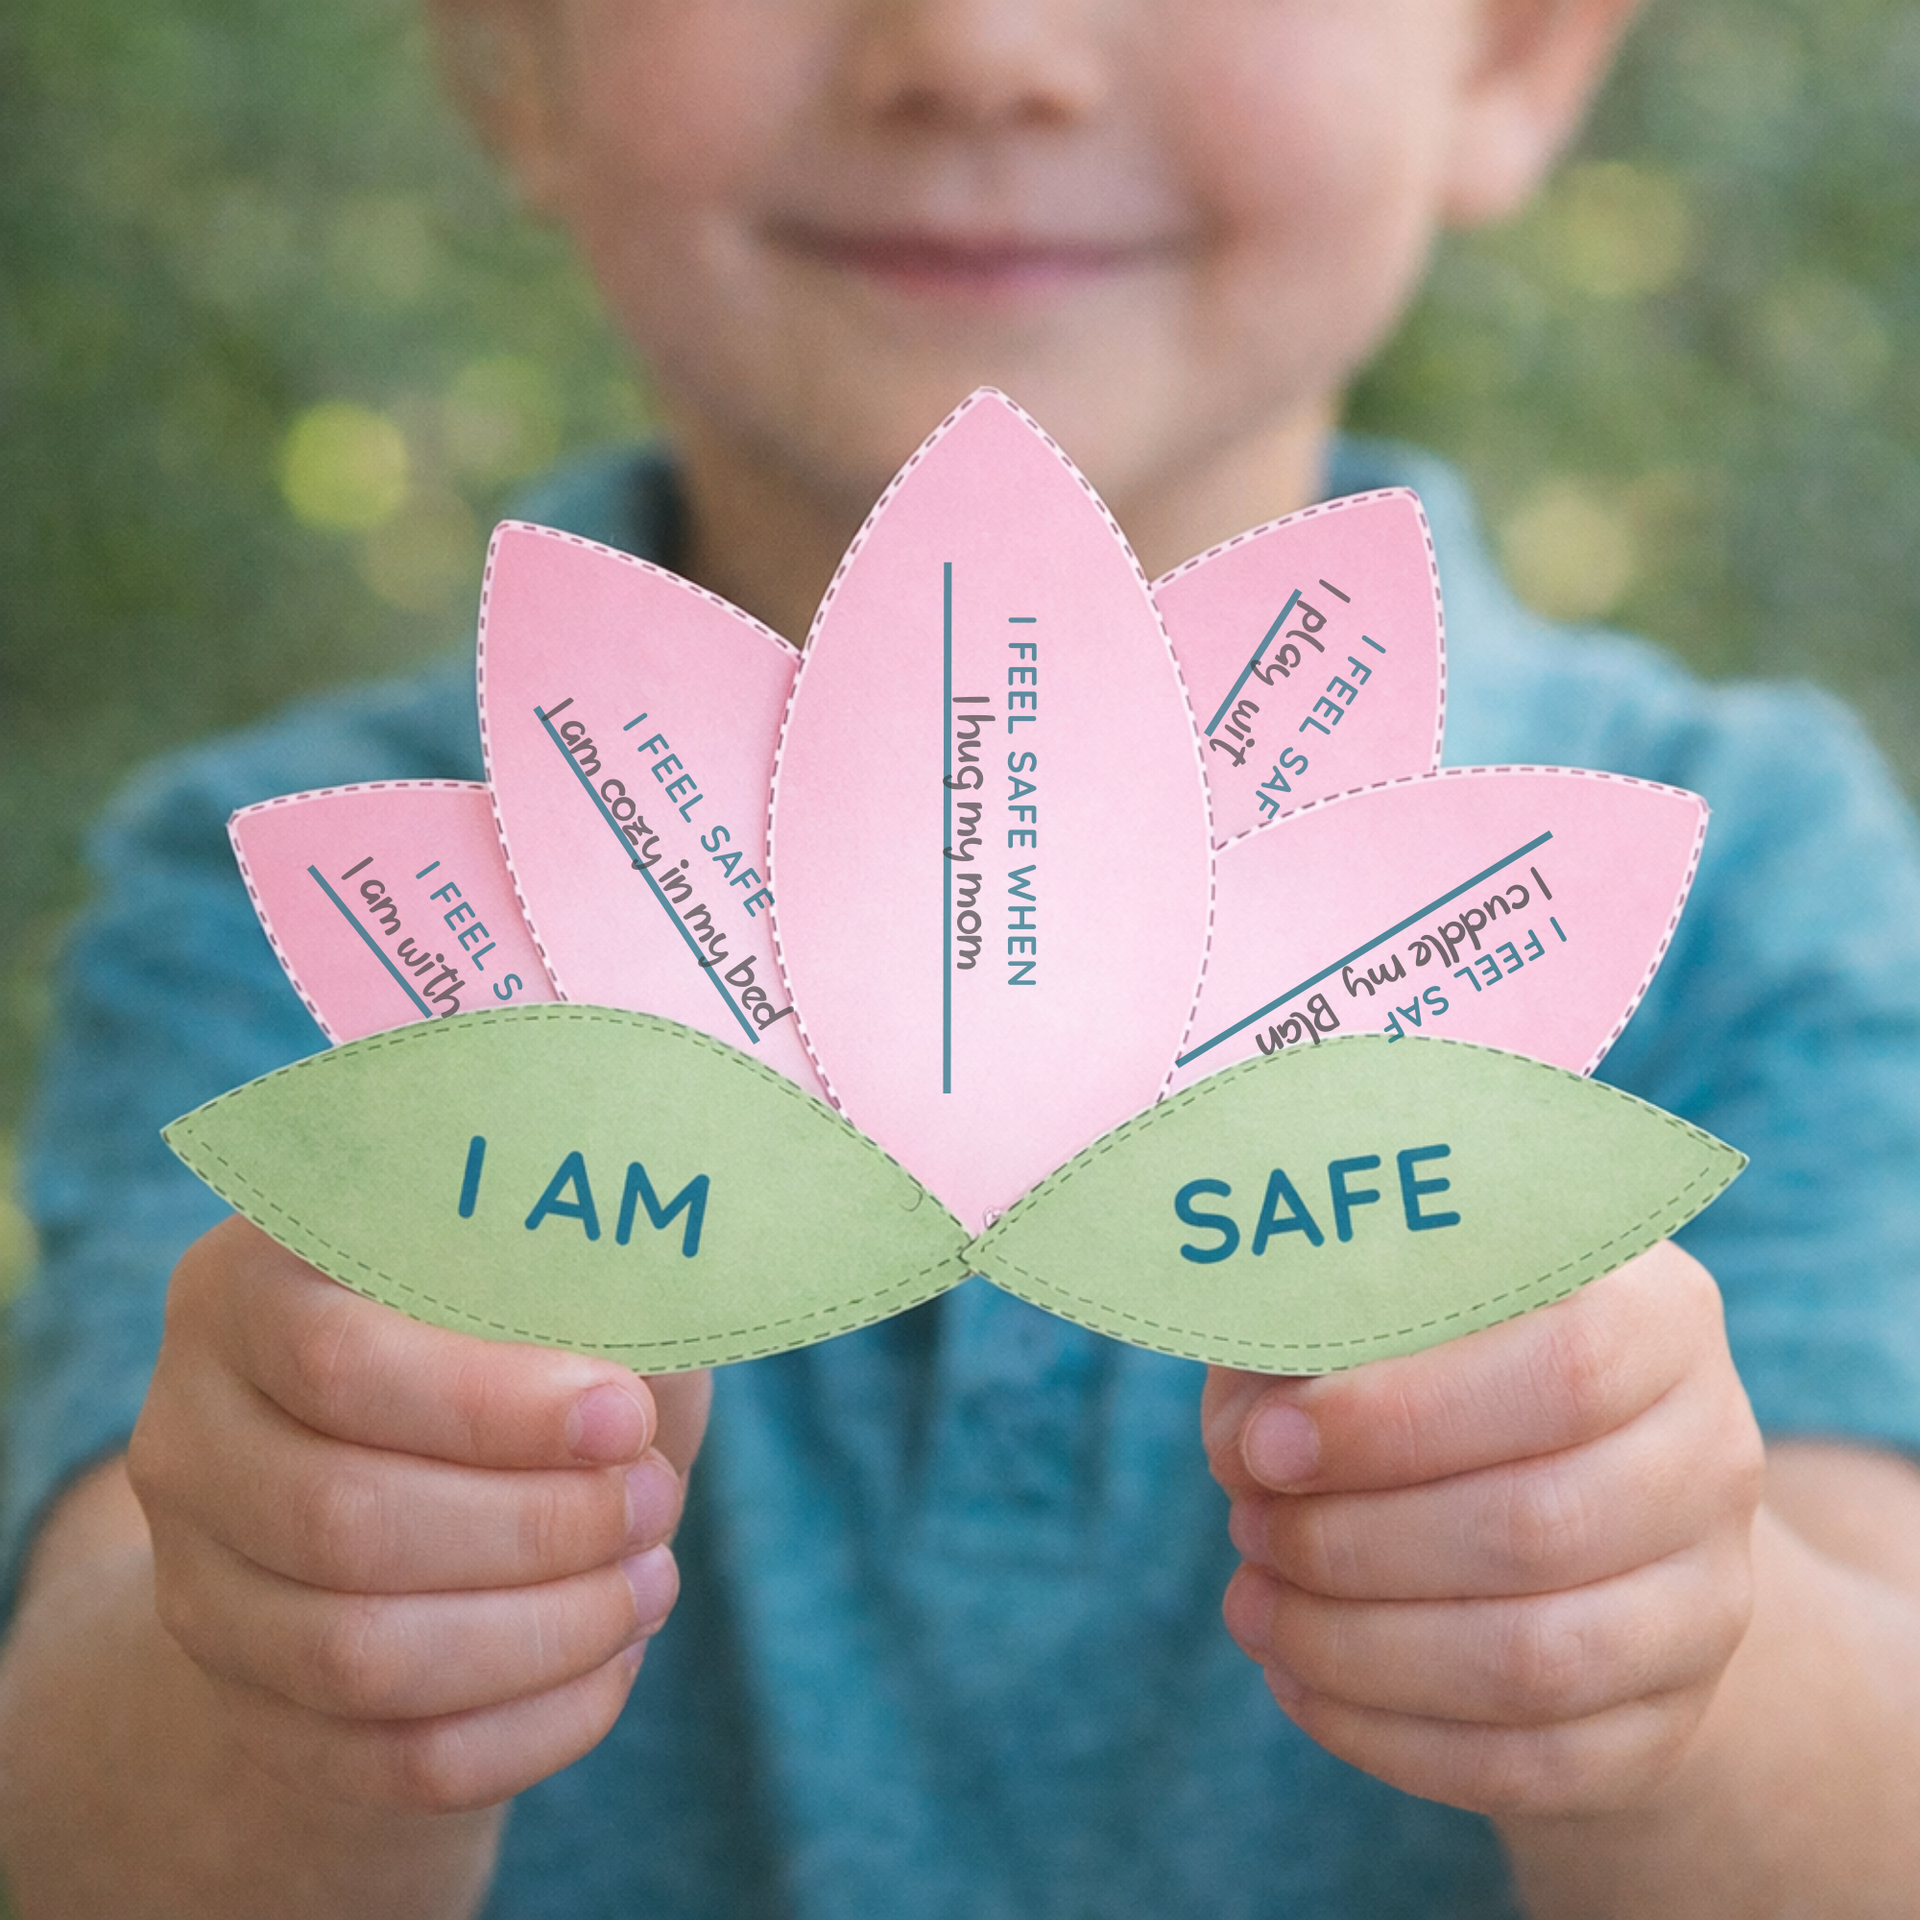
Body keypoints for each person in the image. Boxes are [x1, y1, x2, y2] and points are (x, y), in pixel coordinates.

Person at [4, 1, 1920, 1913]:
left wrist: (1686, 1652)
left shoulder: (1740, 884)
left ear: (1511, 60)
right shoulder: (289, 906)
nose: (979, 45)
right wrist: (282, 1654)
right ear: (509, 51)